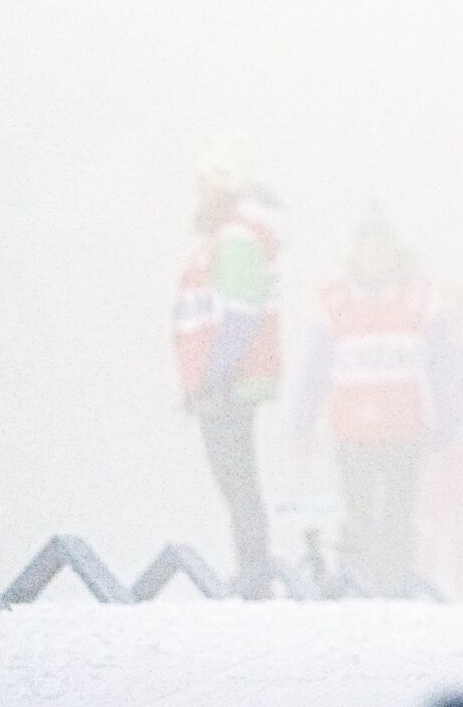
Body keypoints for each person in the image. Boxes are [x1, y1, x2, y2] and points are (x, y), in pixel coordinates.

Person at [291, 206, 463, 597]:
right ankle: (357, 585)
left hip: (406, 429)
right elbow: (314, 367)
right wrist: (302, 423)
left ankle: (396, 588)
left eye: (381, 250)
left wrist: (449, 423)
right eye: (366, 250)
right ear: (354, 254)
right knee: (358, 516)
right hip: (352, 430)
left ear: (394, 253)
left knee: (400, 516)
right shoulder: (334, 302)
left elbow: (443, 365)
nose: (373, 259)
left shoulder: (419, 299)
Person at [172, 132, 283, 599]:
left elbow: (239, 313)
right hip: (221, 381)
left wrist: (213, 379)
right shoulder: (223, 238)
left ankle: (254, 576)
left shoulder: (235, 238)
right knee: (235, 483)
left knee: (237, 482)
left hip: (230, 383)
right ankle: (252, 572)